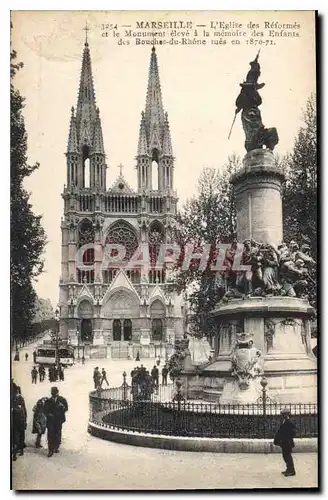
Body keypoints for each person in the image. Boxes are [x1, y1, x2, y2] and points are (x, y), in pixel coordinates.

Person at [44, 387, 68, 457]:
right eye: (53, 393)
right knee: (50, 435)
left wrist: (62, 406)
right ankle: (50, 450)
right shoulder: (48, 401)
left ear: (57, 392)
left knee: (58, 433)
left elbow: (66, 408)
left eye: (55, 392)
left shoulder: (62, 400)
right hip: (51, 421)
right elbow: (45, 410)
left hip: (58, 420)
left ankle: (56, 447)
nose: (54, 394)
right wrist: (48, 414)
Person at [274, 408, 296, 477]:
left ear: (287, 414)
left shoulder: (289, 422)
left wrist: (286, 438)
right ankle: (288, 469)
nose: (283, 415)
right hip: (284, 443)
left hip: (287, 443)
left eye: (284, 414)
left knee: (287, 456)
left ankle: (291, 471)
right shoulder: (284, 421)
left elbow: (293, 432)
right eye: (283, 414)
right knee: (285, 456)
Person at [12, 385, 27, 461]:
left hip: (20, 421)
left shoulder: (20, 398)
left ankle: (20, 450)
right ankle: (15, 453)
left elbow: (24, 411)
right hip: (15, 421)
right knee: (16, 437)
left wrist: (25, 421)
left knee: (20, 436)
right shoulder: (13, 398)